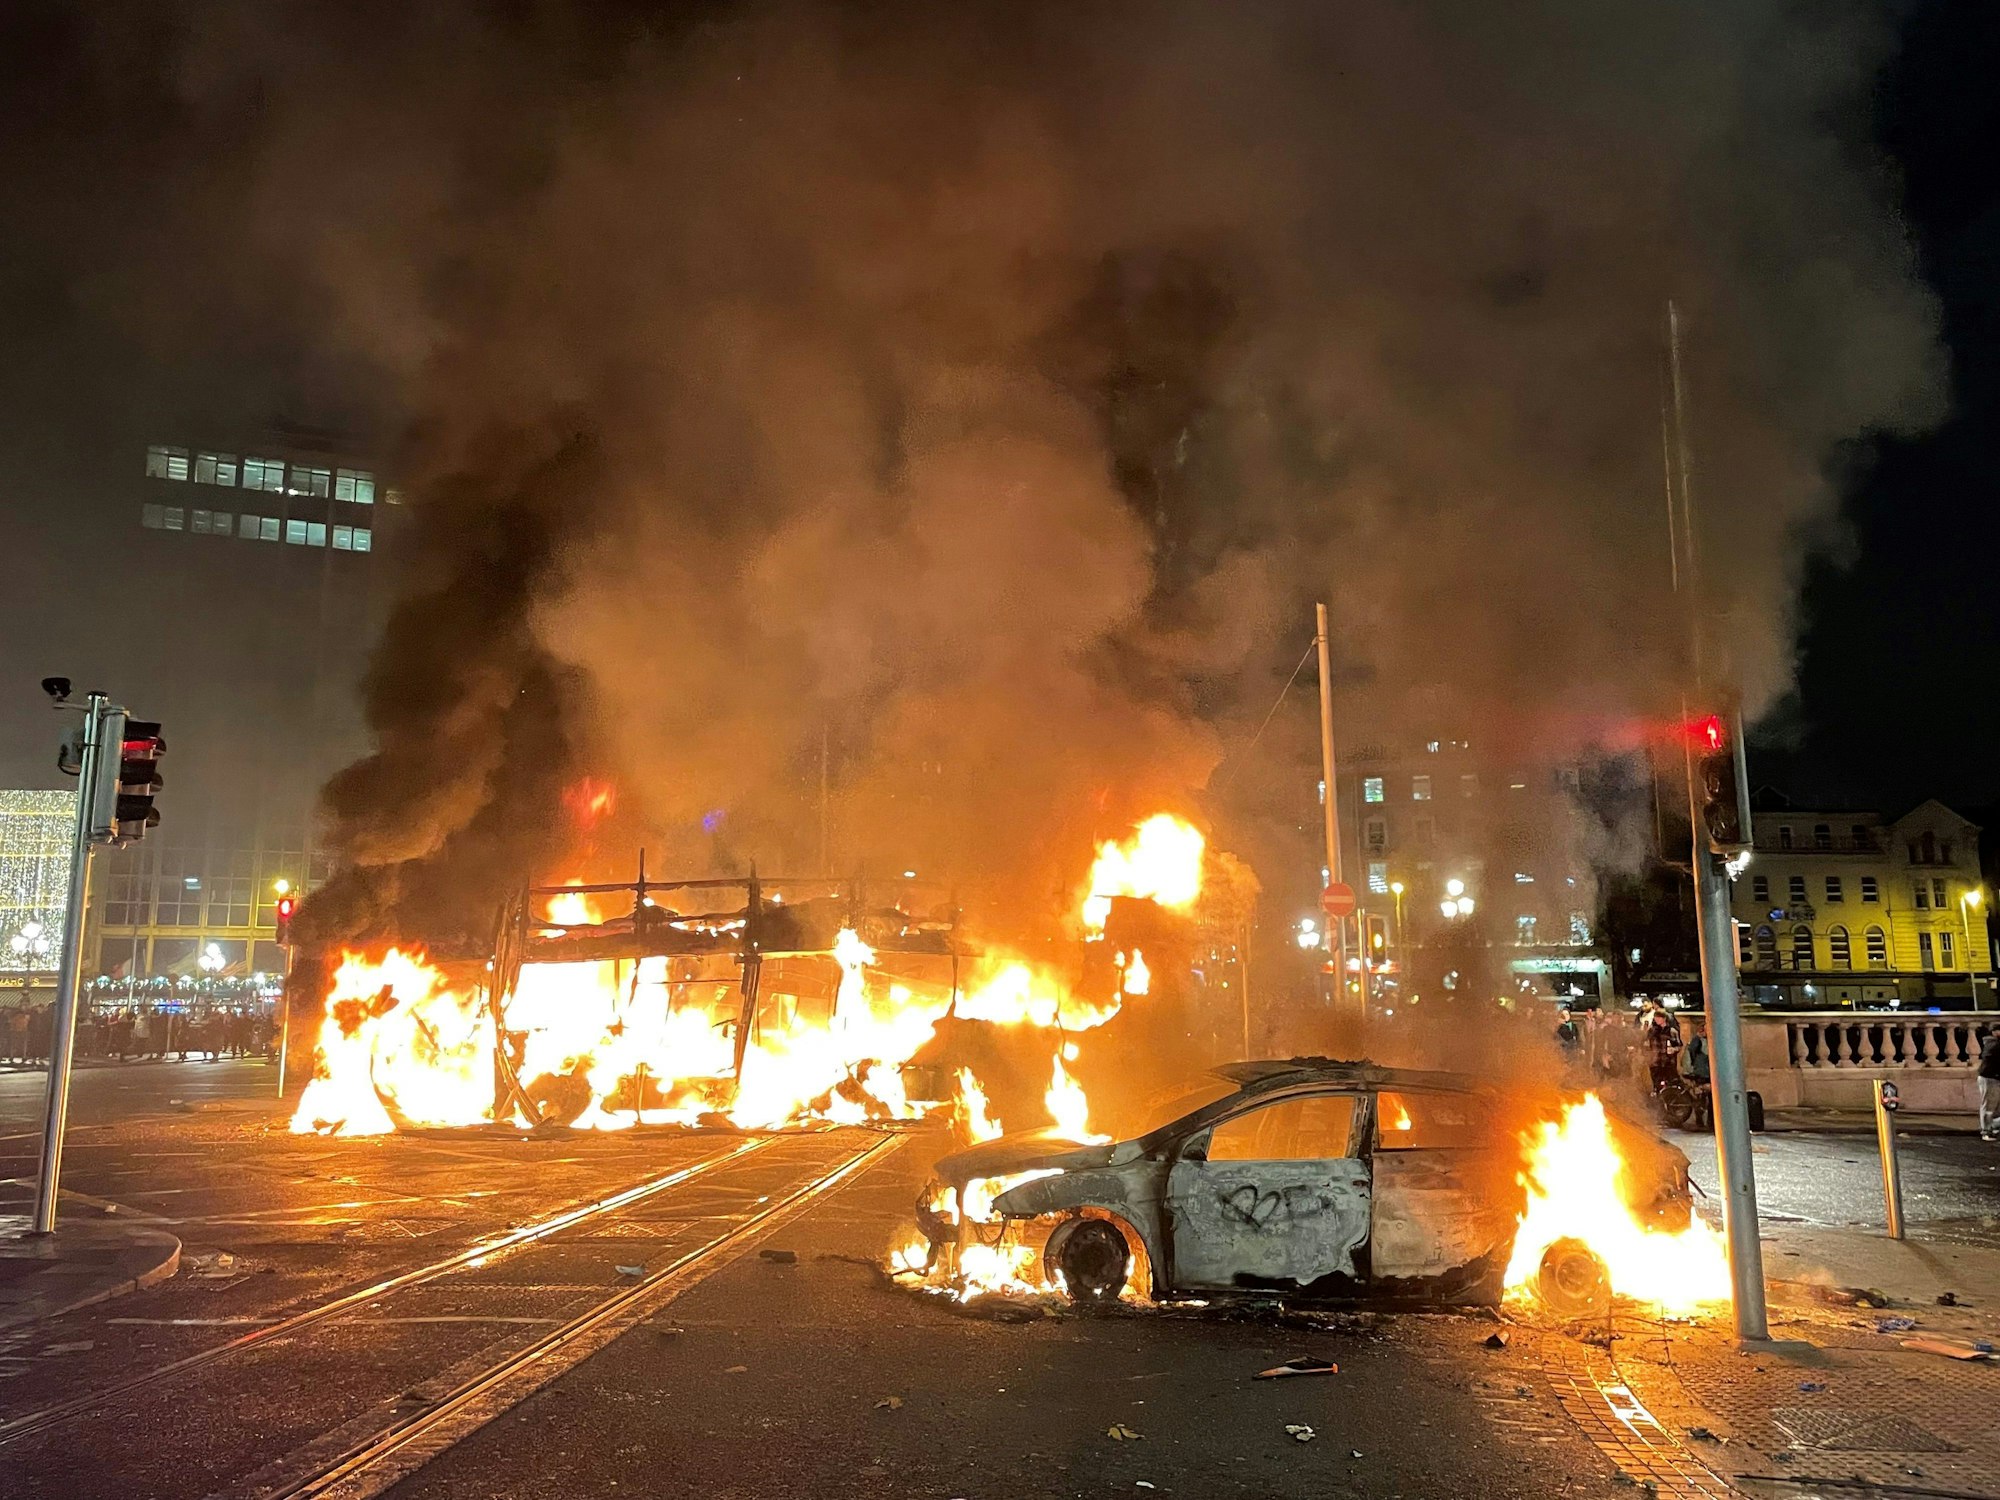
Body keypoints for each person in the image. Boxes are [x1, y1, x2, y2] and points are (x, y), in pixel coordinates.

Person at [1979, 1027, 2000, 1142]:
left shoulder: (1993, 1044)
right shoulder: (1993, 1045)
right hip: (1990, 1078)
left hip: (1993, 1077)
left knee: (1995, 1106)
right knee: (1989, 1106)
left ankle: (1993, 1128)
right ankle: (1986, 1131)